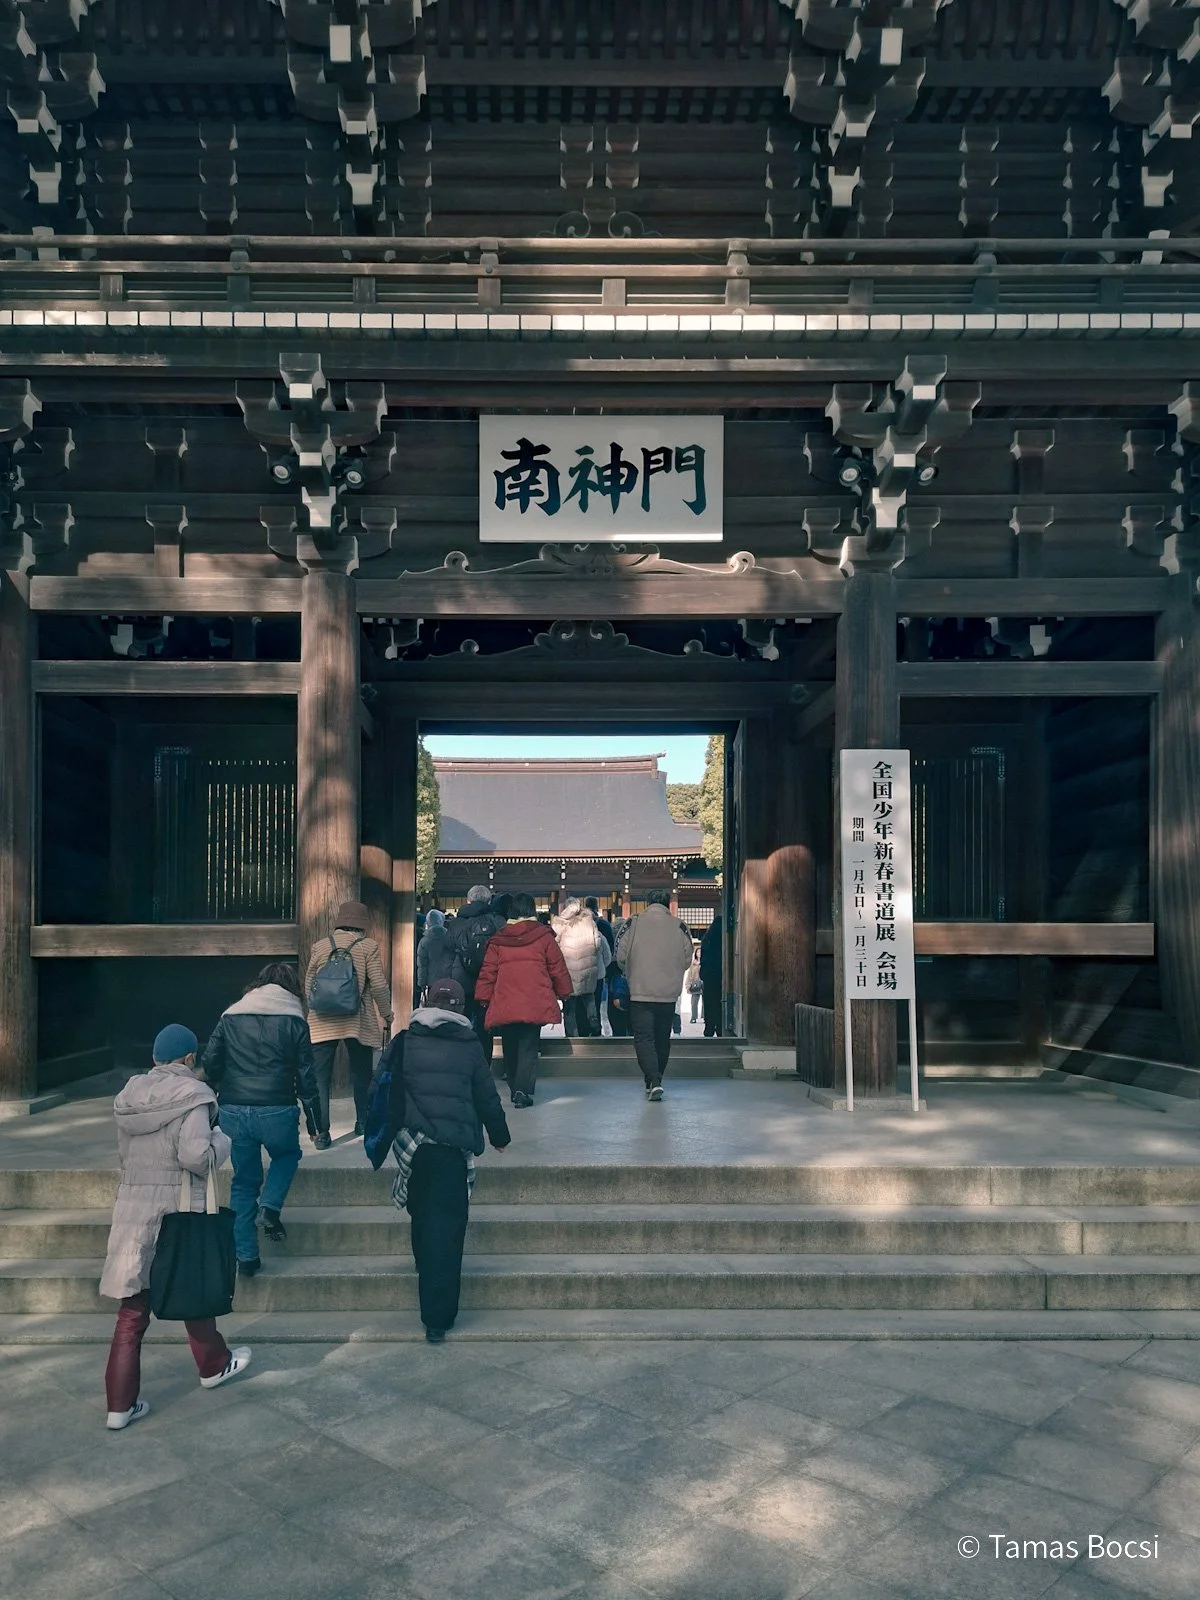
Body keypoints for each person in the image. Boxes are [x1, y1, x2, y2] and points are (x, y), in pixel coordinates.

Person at [99, 1024, 252, 1430]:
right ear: (189, 1060)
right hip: (175, 1214)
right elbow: (196, 1157)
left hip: (134, 1209)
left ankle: (118, 1406)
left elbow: (124, 1156)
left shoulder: (127, 1099)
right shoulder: (194, 1098)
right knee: (189, 1287)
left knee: (131, 1313)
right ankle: (214, 1365)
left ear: (154, 1059)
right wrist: (224, 1141)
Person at [385, 977, 511, 1342]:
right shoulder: (469, 1045)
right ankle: (438, 1316)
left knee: (422, 1218)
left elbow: (385, 1087)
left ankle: (426, 1275)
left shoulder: (405, 1041)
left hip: (414, 1146)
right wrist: (499, 1137)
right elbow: (486, 1095)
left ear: (425, 1003)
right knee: (448, 1229)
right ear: (459, 1008)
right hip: (452, 1149)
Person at [200, 964, 320, 1279]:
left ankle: (247, 1258)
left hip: (234, 1111)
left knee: (243, 1181)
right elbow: (307, 1075)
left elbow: (210, 1061)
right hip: (277, 1109)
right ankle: (270, 1206)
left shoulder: (231, 1015)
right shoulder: (295, 1019)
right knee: (287, 1155)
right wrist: (315, 1121)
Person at [305, 900, 393, 1148]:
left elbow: (309, 981)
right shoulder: (367, 947)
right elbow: (377, 985)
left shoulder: (320, 946)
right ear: (362, 925)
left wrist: (317, 1004)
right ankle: (363, 1122)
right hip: (357, 1020)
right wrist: (387, 1014)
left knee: (320, 1078)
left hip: (322, 1021)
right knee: (361, 1074)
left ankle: (322, 1134)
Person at [475, 891, 573, 1107]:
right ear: (531, 911)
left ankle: (513, 1086)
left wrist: (483, 996)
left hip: (506, 1000)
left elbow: (488, 971)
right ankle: (523, 1090)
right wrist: (565, 992)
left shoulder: (499, 938)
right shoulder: (544, 937)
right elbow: (557, 968)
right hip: (534, 999)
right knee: (529, 1046)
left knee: (510, 1045)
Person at [615, 890, 695, 1100]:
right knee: (662, 1038)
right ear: (668, 904)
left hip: (640, 990)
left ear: (648, 903)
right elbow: (688, 959)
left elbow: (620, 955)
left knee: (643, 1038)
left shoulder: (633, 923)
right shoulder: (679, 925)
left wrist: (631, 969)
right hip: (668, 992)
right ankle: (656, 1078)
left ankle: (653, 1079)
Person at [450, 884, 507, 1051]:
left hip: (461, 980)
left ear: (468, 900)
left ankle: (463, 1064)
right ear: (489, 901)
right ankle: (484, 1066)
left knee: (461, 1023)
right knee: (486, 1027)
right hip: (490, 980)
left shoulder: (457, 922)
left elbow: (448, 946)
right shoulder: (498, 921)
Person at [552, 898, 612, 1038]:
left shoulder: (559, 924)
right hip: (588, 970)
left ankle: (572, 1037)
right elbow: (597, 944)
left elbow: (554, 947)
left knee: (569, 1008)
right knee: (590, 1000)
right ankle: (595, 1028)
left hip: (568, 971)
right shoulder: (589, 921)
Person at [585, 896, 615, 1030]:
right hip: (598, 970)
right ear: (597, 907)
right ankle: (596, 1029)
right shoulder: (604, 925)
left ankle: (581, 1030)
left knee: (581, 1003)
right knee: (597, 1002)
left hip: (579, 970)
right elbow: (611, 950)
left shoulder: (579, 924)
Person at [416, 908, 456, 996]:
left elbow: (422, 965)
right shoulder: (450, 938)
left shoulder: (424, 941)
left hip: (431, 982)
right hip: (449, 979)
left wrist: (421, 984)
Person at [699, 915, 723, 1037]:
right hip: (721, 974)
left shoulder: (707, 940)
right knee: (720, 1003)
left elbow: (703, 960)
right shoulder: (724, 940)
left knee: (709, 1002)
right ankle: (720, 1026)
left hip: (709, 975)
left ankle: (709, 1027)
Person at [686, 939, 703, 1024]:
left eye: (700, 952)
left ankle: (704, 1017)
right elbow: (689, 975)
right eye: (698, 952)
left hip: (704, 984)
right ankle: (693, 1017)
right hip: (695, 984)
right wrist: (688, 985)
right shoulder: (693, 964)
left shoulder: (705, 962)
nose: (699, 954)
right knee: (694, 1002)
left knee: (705, 1002)